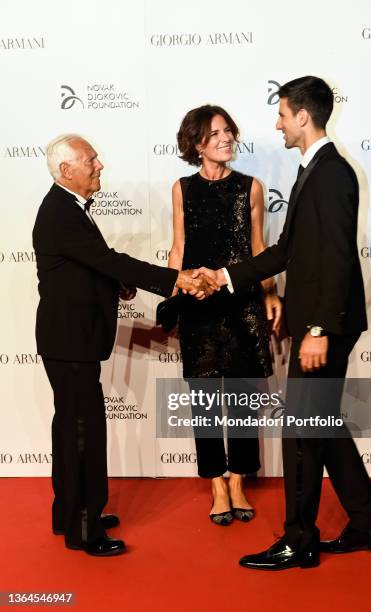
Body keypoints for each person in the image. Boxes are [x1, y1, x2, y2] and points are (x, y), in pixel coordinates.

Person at [195, 77, 371, 568]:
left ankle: (298, 540)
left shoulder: (332, 173)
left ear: (303, 116)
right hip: (316, 323)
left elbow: (340, 257)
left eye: (281, 114)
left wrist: (318, 329)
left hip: (324, 328)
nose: (277, 122)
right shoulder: (313, 169)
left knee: (302, 432)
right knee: (323, 425)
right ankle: (367, 522)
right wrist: (223, 275)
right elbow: (285, 253)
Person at [33, 134, 216, 556]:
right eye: (91, 160)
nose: (100, 165)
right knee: (84, 434)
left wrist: (119, 284)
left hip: (68, 340)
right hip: (71, 341)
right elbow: (107, 259)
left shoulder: (67, 208)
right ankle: (85, 527)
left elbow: (95, 261)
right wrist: (175, 279)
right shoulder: (61, 212)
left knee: (69, 428)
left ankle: (69, 513)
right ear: (67, 170)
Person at [168, 106, 282, 526]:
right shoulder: (182, 188)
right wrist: (175, 287)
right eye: (215, 133)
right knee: (204, 400)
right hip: (199, 304)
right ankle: (216, 481)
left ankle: (238, 479)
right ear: (197, 143)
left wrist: (270, 294)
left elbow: (259, 248)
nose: (226, 137)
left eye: (228, 130)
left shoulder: (251, 187)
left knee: (244, 397)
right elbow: (178, 247)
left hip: (242, 303)